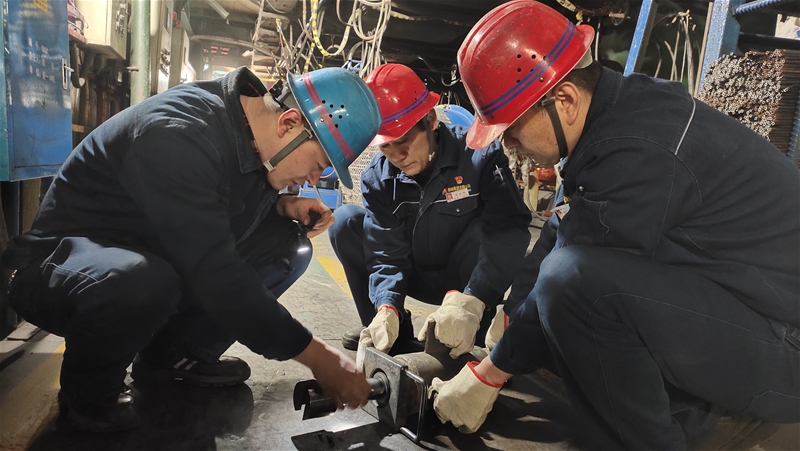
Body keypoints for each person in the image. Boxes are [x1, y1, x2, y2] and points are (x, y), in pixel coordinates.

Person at [429, 1, 800, 449]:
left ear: (565, 101)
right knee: (559, 298)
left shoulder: (637, 149)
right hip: (745, 312)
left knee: (573, 288)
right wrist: (508, 311)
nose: (508, 143)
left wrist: (489, 374)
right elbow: (563, 228)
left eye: (512, 126)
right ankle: (694, 416)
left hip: (786, 350)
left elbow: (569, 276)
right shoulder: (616, 116)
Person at [2, 66, 381, 432]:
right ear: (290, 123)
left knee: (287, 245)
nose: (314, 178)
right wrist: (317, 357)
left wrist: (281, 206)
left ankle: (176, 354)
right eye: (318, 164)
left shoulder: (250, 141)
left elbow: (213, 212)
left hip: (146, 257)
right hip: (62, 268)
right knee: (141, 281)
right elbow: (215, 271)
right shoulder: (178, 133)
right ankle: (88, 396)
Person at [327, 63, 531, 364]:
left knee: (487, 228)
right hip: (414, 276)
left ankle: (472, 324)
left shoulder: (479, 155)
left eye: (404, 140)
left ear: (431, 120)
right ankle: (386, 329)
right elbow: (385, 252)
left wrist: (475, 297)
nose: (397, 156)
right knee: (345, 222)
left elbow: (510, 229)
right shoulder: (377, 178)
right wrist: (387, 304)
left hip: (467, 285)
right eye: (385, 146)